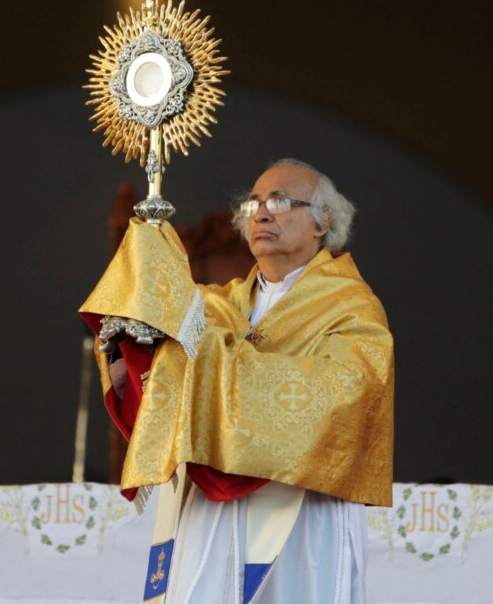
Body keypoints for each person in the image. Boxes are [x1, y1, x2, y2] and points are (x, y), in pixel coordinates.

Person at [81, 159, 394, 603]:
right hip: (210, 505)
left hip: (300, 510)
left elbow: (343, 400)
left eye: (282, 201)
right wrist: (135, 362)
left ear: (323, 221)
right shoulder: (214, 306)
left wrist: (211, 362)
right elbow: (163, 394)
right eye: (253, 203)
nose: (262, 214)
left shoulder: (352, 308)